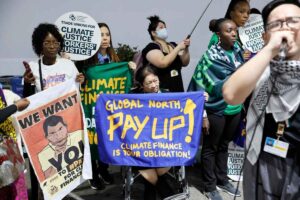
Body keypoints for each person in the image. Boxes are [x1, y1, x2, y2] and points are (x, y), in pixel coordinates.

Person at [223, 0, 300, 199]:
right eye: (277, 24)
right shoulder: (260, 68)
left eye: (293, 21)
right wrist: (270, 49)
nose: (286, 29)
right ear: (265, 35)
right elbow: (231, 94)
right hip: (263, 161)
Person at [22, 23, 84, 200]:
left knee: (65, 172)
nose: (52, 46)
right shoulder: (34, 67)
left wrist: (82, 79)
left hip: (66, 125)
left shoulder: (68, 65)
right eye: (47, 43)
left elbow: (76, 92)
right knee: (45, 172)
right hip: (44, 129)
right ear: (38, 45)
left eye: (55, 42)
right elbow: (27, 100)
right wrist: (27, 83)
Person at [188, 18, 244, 200]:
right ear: (219, 35)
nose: (234, 33)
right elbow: (199, 85)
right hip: (215, 109)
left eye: (235, 30)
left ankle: (222, 179)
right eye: (229, 31)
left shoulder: (238, 53)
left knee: (224, 145)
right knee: (210, 148)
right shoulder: (209, 56)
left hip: (234, 108)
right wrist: (203, 114)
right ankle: (209, 186)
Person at [132, 65, 175, 200]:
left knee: (155, 172)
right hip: (141, 147)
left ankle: (156, 193)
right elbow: (114, 103)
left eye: (155, 80)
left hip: (165, 145)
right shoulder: (132, 97)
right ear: (141, 85)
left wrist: (201, 96)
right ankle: (168, 194)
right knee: (147, 166)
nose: (153, 85)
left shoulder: (170, 96)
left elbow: (189, 102)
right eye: (149, 83)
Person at [142, 15, 190, 92]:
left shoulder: (173, 45)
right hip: (161, 94)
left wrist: (186, 48)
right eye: (161, 28)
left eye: (165, 27)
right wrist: (178, 48)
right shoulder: (151, 47)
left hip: (178, 91)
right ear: (153, 33)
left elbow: (185, 62)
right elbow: (163, 63)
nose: (164, 29)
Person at [0, 90, 29, 200]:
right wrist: (15, 107)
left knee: (19, 195)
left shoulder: (7, 94)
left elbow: (29, 102)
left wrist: (27, 84)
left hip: (13, 158)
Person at [38, 115, 83, 179]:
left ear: (66, 127)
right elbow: (50, 179)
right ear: (47, 137)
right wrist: (56, 159)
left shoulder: (80, 134)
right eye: (52, 133)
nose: (58, 136)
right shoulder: (43, 154)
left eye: (60, 129)